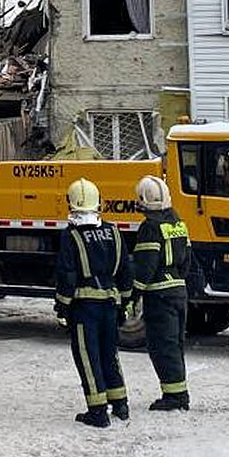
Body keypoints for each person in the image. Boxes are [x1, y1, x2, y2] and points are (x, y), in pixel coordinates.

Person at [54, 178, 133, 427]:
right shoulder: (113, 231)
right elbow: (125, 271)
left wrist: (62, 307)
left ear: (71, 203)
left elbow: (67, 274)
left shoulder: (72, 235)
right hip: (111, 304)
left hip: (84, 307)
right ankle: (120, 404)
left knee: (88, 356)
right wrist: (126, 304)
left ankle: (97, 411)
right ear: (99, 203)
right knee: (110, 353)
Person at [132, 174, 191, 411]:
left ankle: (175, 397)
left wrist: (133, 295)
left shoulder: (150, 227)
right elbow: (187, 262)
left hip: (160, 295)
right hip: (179, 291)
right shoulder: (178, 223)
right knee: (176, 345)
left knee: (162, 346)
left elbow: (145, 267)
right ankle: (178, 392)